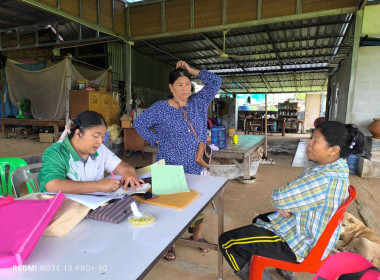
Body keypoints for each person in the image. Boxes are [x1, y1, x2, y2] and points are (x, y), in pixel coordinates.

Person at [219, 121, 366, 280]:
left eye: (315, 140)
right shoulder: (337, 165)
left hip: (303, 244)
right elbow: (291, 194)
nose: (309, 143)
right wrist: (286, 206)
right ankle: (283, 268)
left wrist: (284, 205)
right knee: (260, 219)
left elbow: (278, 197)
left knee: (228, 242)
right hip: (311, 232)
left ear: (333, 149)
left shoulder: (324, 179)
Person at [134, 60, 222, 261]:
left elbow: (216, 81)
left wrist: (192, 70)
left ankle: (197, 236)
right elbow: (139, 123)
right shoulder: (160, 108)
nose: (185, 88)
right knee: (169, 204)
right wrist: (156, 139)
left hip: (197, 162)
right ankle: (170, 242)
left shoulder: (198, 102)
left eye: (187, 84)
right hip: (169, 163)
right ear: (171, 88)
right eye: (180, 85)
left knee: (199, 200)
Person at [39, 110, 143, 194]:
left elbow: (119, 166)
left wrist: (129, 172)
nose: (100, 141)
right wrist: (98, 186)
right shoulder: (57, 152)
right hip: (62, 209)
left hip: (92, 206)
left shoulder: (100, 149)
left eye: (103, 137)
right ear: (78, 133)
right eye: (96, 136)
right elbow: (53, 186)